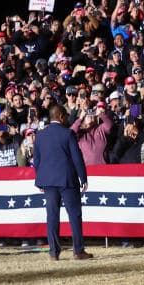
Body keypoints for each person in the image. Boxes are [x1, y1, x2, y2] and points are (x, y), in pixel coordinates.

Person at [32, 104, 93, 261]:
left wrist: (39, 181)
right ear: (60, 116)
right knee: (74, 215)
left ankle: (54, 253)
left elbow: (36, 161)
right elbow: (77, 158)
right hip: (67, 180)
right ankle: (78, 251)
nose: (66, 118)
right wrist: (83, 178)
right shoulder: (68, 134)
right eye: (65, 115)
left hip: (48, 181)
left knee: (52, 216)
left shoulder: (40, 135)